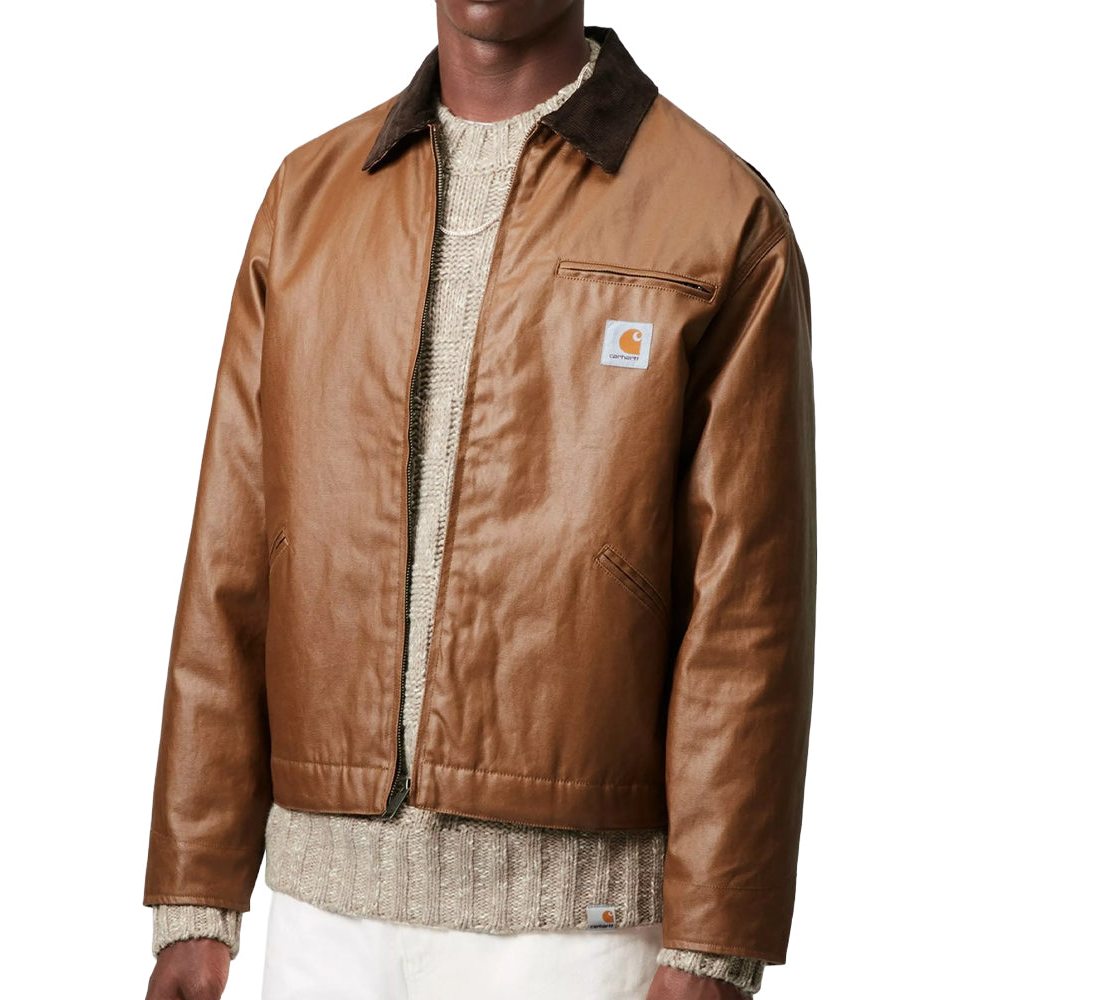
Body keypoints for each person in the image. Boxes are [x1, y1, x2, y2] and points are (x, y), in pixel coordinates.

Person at [142, 4, 816, 999]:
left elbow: (748, 616)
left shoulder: (718, 217)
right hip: (323, 927)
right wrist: (196, 895)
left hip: (576, 938)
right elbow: (232, 556)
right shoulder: (308, 200)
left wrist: (715, 942)